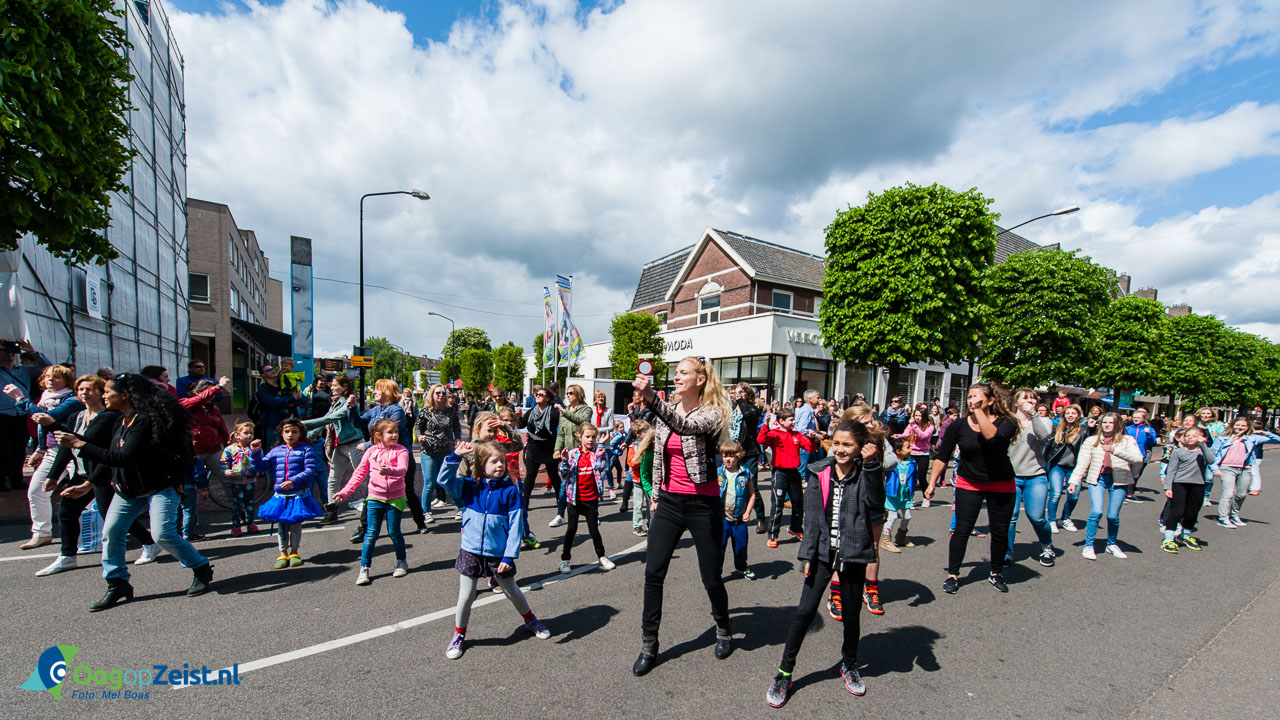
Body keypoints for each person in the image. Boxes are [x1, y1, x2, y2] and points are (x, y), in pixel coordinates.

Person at [54, 373, 213, 611]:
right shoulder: (122, 421)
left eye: (108, 391)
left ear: (125, 395)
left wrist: (79, 444)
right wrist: (88, 484)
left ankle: (200, 567)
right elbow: (109, 461)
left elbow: (123, 457)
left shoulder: (144, 421)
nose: (104, 395)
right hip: (127, 489)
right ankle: (117, 583)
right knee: (112, 531)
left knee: (163, 534)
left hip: (160, 487)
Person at [765, 420, 883, 708]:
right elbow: (813, 518)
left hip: (853, 552)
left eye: (848, 445)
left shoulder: (864, 471)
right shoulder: (819, 471)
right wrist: (807, 554)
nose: (841, 449)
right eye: (837, 443)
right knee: (804, 612)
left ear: (859, 448)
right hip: (822, 553)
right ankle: (784, 672)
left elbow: (875, 503)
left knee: (852, 614)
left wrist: (871, 466)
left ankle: (850, 663)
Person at [630, 357, 733, 676]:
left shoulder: (712, 412)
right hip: (671, 502)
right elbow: (658, 452)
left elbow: (685, 426)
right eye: (675, 372)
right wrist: (657, 494)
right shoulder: (668, 408)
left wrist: (651, 398)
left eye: (684, 372)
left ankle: (724, 629)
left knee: (711, 577)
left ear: (701, 380)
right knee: (653, 572)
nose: (676, 376)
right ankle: (649, 644)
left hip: (703, 504)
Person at [31, 374, 159, 576]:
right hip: (82, 472)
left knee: (111, 515)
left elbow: (84, 441)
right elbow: (67, 447)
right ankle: (67, 557)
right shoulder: (76, 417)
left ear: (101, 393)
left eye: (90, 389)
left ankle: (149, 543)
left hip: (103, 472)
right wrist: (53, 476)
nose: (84, 393)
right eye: (80, 389)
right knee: (66, 512)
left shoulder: (110, 417)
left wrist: (53, 424)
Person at [436, 440, 551, 659]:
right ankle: (459, 635)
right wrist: (454, 457)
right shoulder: (469, 486)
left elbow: (516, 526)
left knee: (511, 591)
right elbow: (444, 480)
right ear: (481, 464)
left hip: (498, 553)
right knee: (466, 597)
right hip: (470, 551)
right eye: (494, 461)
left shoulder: (510, 491)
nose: (500, 465)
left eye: (502, 461)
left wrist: (509, 555)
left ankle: (530, 620)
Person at [924, 383, 1019, 595]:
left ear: (991, 401)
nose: (971, 400)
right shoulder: (958, 426)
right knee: (962, 530)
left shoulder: (1007, 422)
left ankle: (996, 572)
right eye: (969, 396)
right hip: (970, 482)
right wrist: (931, 483)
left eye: (977, 397)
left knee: (1000, 531)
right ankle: (953, 575)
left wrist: (977, 411)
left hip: (1001, 483)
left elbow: (992, 438)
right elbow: (943, 455)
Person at [5, 364, 81, 549]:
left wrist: (20, 398)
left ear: (67, 380)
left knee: (83, 495)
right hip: (53, 451)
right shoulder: (46, 398)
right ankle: (41, 533)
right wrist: (40, 449)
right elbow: (43, 429)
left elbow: (47, 418)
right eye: (47, 376)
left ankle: (91, 532)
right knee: (36, 492)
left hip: (74, 451)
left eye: (56, 377)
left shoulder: (72, 399)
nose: (50, 379)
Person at [334, 418, 410, 585]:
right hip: (375, 497)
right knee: (371, 534)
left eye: (396, 431)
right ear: (378, 435)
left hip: (395, 499)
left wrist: (389, 470)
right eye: (390, 432)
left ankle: (401, 561)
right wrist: (345, 492)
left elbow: (403, 470)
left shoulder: (401, 451)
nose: (395, 435)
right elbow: (359, 473)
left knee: (394, 533)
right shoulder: (371, 452)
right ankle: (364, 568)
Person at [1067, 412, 1143, 560]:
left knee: (1113, 515)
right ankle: (1088, 546)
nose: (1107, 425)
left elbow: (1138, 459)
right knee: (1096, 512)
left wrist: (1115, 450)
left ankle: (1111, 544)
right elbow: (1082, 462)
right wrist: (1073, 482)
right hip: (1098, 479)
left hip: (1119, 480)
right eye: (1104, 422)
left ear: (1118, 425)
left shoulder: (1127, 440)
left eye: (1110, 423)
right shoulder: (1092, 441)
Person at [252, 417, 323, 568]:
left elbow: (310, 470)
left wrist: (294, 480)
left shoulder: (306, 449)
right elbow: (261, 467)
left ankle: (295, 552)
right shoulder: (276, 450)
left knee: (295, 524)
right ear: (281, 433)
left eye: (294, 432)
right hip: (280, 496)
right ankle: (282, 553)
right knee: (281, 525)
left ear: (301, 434)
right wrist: (256, 452)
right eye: (287, 431)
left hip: (298, 494)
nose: (290, 435)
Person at [360, 380, 425, 535]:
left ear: (387, 392)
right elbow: (359, 422)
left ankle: (420, 521)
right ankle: (363, 529)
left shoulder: (397, 411)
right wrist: (351, 408)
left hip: (399, 455)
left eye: (377, 390)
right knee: (373, 490)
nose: (374, 392)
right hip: (380, 455)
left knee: (407, 489)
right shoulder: (375, 410)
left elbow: (390, 431)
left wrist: (369, 444)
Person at [177, 377, 233, 540]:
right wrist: (218, 387)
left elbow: (220, 425)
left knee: (227, 478)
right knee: (191, 486)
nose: (212, 396)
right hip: (195, 450)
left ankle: (237, 510)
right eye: (209, 392)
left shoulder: (213, 408)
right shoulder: (187, 404)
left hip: (214, 449)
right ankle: (189, 522)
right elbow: (198, 400)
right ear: (197, 392)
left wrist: (226, 442)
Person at [303, 376, 363, 526]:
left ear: (344, 387)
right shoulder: (335, 403)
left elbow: (331, 419)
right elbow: (326, 419)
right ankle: (332, 511)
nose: (332, 387)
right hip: (339, 445)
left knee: (363, 478)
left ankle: (376, 507)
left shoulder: (349, 402)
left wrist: (302, 424)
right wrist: (305, 436)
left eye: (335, 385)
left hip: (354, 444)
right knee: (333, 479)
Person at [1006, 388, 1056, 567]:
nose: (1030, 401)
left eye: (1033, 399)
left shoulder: (1043, 421)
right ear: (1016, 402)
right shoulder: (1009, 421)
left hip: (1035, 476)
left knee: (1036, 516)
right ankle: (1007, 551)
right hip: (1011, 476)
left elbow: (1044, 435)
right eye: (1025, 399)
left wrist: (1033, 414)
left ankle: (1047, 547)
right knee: (1010, 517)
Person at [556, 423, 615, 574]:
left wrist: (601, 446)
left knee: (594, 530)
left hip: (591, 499)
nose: (591, 440)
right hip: (575, 499)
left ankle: (602, 556)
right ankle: (565, 559)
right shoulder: (573, 454)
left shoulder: (597, 453)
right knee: (571, 530)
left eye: (593, 437)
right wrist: (563, 461)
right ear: (580, 437)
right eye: (587, 437)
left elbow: (603, 467)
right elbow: (564, 475)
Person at [1209, 416, 1280, 528]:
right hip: (1227, 468)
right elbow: (1211, 454)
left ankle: (1234, 515)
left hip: (1245, 468)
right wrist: (1215, 469)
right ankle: (1223, 518)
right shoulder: (1223, 438)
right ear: (1232, 425)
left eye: (1243, 425)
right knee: (1227, 494)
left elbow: (1277, 440)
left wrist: (1265, 433)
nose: (1240, 427)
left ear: (1247, 427)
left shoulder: (1252, 438)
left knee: (1241, 494)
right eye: (1237, 425)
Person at [759, 406, 813, 548]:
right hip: (779, 472)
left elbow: (810, 448)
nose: (794, 422)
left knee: (798, 502)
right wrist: (766, 424)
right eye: (791, 420)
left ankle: (795, 528)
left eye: (794, 419)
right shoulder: (775, 434)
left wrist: (812, 438)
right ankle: (772, 535)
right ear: (782, 421)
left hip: (794, 472)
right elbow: (761, 439)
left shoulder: (797, 435)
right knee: (777, 504)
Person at [1160, 427, 1212, 553]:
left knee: (1192, 511)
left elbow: (1211, 460)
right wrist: (1168, 487)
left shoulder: (1204, 452)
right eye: (1188, 435)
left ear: (1202, 437)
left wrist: (1203, 445)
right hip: (1179, 483)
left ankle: (1186, 535)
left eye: (1194, 435)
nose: (1190, 437)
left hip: (1198, 484)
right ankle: (1168, 538)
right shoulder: (1178, 452)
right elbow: (1171, 470)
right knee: (1177, 511)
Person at [418, 383, 464, 525]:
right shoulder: (425, 411)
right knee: (430, 483)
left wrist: (457, 438)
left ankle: (461, 507)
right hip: (429, 451)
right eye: (438, 393)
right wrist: (420, 437)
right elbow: (418, 428)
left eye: (443, 393)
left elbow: (457, 427)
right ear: (432, 394)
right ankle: (426, 511)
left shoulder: (450, 411)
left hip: (446, 450)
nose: (441, 395)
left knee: (449, 480)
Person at [520, 386, 561, 543]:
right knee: (530, 476)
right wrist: (517, 417)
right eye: (536, 394)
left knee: (554, 477)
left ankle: (560, 503)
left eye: (541, 394)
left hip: (549, 448)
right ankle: (526, 503)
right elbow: (522, 424)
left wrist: (559, 448)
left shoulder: (553, 412)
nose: (537, 396)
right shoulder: (531, 411)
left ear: (548, 398)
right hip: (533, 448)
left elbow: (561, 428)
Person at [550, 385, 591, 527]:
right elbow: (561, 433)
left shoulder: (586, 410)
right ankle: (560, 515)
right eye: (566, 393)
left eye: (571, 393)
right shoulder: (565, 411)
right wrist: (557, 449)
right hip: (568, 455)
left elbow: (580, 421)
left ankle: (591, 513)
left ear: (578, 394)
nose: (568, 395)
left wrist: (563, 411)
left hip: (582, 453)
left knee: (585, 484)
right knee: (564, 485)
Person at [717, 439, 757, 580]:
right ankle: (717, 572)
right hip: (722, 518)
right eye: (724, 456)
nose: (727, 459)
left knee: (741, 546)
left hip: (739, 518)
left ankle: (741, 568)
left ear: (738, 456)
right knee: (719, 547)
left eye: (731, 456)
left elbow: (752, 495)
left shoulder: (745, 473)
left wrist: (747, 512)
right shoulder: (718, 473)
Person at [730, 383, 767, 531]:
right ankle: (737, 514)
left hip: (749, 452)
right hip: (735, 451)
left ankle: (761, 518)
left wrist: (740, 400)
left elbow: (748, 415)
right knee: (736, 484)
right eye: (736, 393)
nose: (737, 395)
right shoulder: (734, 409)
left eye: (741, 392)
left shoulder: (753, 408)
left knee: (753, 486)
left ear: (747, 393)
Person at [1045, 404, 1088, 532]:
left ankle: (1065, 518)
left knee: (1073, 496)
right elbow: (1047, 445)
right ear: (1063, 415)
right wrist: (1043, 460)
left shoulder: (1084, 430)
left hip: (1075, 467)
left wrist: (1086, 469)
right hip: (1057, 465)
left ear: (1079, 416)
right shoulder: (1057, 428)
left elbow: (1088, 449)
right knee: (1056, 494)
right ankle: (1051, 521)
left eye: (1073, 413)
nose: (1070, 416)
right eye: (1068, 413)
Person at [219, 422, 262, 536]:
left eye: (251, 433)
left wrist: (259, 468)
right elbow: (223, 462)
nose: (249, 435)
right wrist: (226, 470)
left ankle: (251, 523)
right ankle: (236, 526)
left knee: (250, 503)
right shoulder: (230, 449)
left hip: (250, 480)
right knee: (237, 504)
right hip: (236, 480)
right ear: (237, 435)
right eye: (246, 433)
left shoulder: (255, 448)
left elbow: (260, 460)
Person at [880, 437, 916, 554]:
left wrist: (913, 490)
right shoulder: (892, 463)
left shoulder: (911, 463)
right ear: (898, 451)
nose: (910, 449)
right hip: (892, 494)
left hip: (904, 495)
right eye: (908, 447)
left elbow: (914, 478)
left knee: (907, 516)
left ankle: (901, 536)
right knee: (892, 517)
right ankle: (886, 540)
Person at [893, 408, 934, 501]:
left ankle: (926, 497)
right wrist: (898, 436)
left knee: (922, 477)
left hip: (923, 454)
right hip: (912, 453)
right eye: (916, 415)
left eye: (920, 416)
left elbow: (922, 436)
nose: (917, 418)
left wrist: (914, 425)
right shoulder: (911, 425)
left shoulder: (929, 426)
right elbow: (906, 434)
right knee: (910, 476)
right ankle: (910, 498)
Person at [254, 365, 301, 446]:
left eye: (273, 369)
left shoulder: (284, 384)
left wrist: (293, 401)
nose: (272, 370)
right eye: (268, 370)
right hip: (273, 424)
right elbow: (272, 402)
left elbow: (301, 398)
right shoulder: (263, 389)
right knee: (274, 447)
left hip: (290, 421)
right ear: (263, 375)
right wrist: (291, 398)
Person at [1124, 407, 1160, 500]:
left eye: (1138, 417)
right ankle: (1127, 493)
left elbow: (1153, 442)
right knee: (1125, 474)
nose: (1136, 419)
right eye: (1134, 417)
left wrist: (1148, 435)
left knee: (1135, 475)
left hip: (1140, 455)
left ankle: (1129, 491)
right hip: (1127, 454)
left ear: (1144, 419)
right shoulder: (1127, 428)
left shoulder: (1149, 429)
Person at [628, 419, 655, 536]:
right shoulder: (634, 447)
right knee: (638, 504)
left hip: (650, 479)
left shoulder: (651, 445)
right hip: (638, 480)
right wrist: (639, 460)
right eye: (639, 432)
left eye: (644, 431)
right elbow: (630, 462)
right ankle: (637, 525)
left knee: (650, 504)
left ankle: (651, 524)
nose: (641, 435)